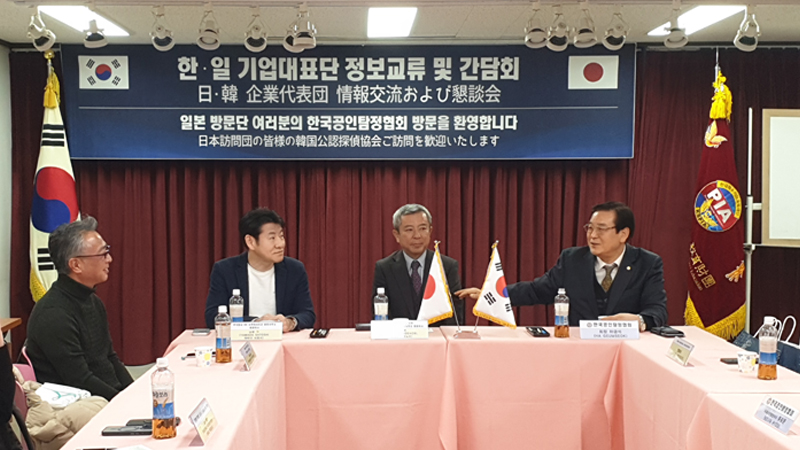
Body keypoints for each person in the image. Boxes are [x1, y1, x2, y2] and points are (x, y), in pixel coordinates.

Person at [457, 202, 668, 331]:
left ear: (623, 234)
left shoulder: (647, 263)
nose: (592, 236)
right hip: (579, 347)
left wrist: (639, 320)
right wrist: (492, 294)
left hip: (627, 349)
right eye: (590, 228)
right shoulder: (573, 259)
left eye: (601, 229)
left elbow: (657, 310)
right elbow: (537, 290)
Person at [26, 217, 133, 401]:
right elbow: (79, 379)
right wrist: (122, 402)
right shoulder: (53, 314)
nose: (109, 259)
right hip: (78, 405)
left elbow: (110, 357)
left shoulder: (93, 301)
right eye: (102, 254)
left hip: (105, 398)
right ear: (76, 265)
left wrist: (135, 393)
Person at [205, 208, 316, 332]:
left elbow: (308, 314)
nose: (280, 244)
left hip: (282, 339)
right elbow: (213, 316)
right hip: (241, 340)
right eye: (272, 238)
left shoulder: (294, 269)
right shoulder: (225, 270)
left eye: (281, 236)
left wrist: (290, 322)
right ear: (250, 242)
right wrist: (256, 323)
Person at [372, 204, 464, 325]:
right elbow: (381, 315)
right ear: (397, 235)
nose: (417, 236)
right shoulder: (384, 268)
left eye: (422, 228)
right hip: (399, 335)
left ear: (430, 231)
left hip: (437, 335)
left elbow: (455, 317)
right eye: (409, 230)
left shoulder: (446, 266)